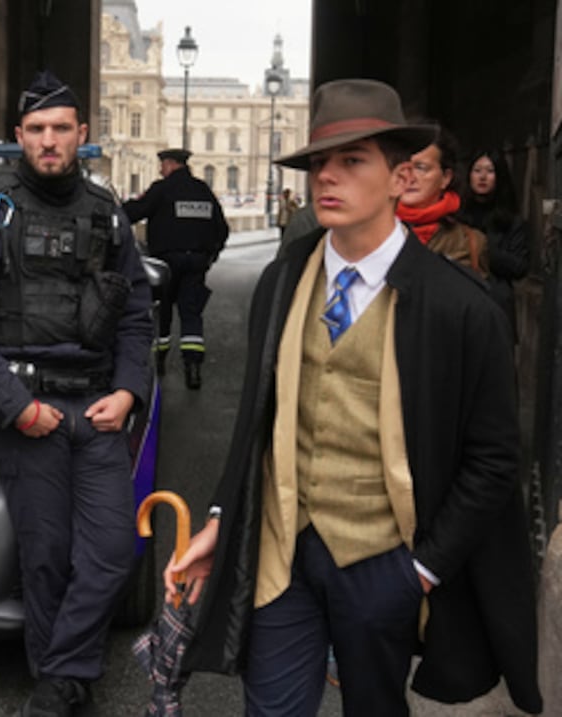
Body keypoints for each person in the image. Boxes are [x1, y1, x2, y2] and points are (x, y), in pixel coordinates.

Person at [166, 79, 542, 716]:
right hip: (283, 552)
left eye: (352, 160)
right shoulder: (283, 280)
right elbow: (258, 420)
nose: (327, 177)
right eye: (319, 162)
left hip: (381, 562)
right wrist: (223, 518)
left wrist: (421, 571)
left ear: (400, 178)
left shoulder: (461, 308)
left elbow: (494, 460)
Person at [0, 70, 153, 717]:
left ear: (82, 134)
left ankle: (60, 672)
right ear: (18, 136)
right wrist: (18, 408)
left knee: (113, 552)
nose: (49, 140)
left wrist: (128, 391)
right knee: (48, 558)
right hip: (29, 414)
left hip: (98, 410)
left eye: (61, 128)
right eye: (36, 129)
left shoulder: (109, 215)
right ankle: (63, 683)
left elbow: (137, 316)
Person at [122, 147, 229, 389]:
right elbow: (221, 229)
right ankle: (193, 368)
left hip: (166, 262)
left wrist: (113, 211)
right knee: (191, 313)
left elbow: (135, 212)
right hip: (197, 261)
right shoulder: (203, 190)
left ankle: (159, 362)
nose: (161, 170)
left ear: (170, 164)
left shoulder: (162, 189)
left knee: (163, 311)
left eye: (162, 165)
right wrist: (210, 255)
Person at [396, 126, 490, 278]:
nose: (410, 177)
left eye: (421, 168)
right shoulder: (371, 234)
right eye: (403, 167)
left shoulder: (470, 242)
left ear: (445, 178)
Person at [458, 148, 530, 337]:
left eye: (490, 171)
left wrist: (484, 249)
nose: (483, 177)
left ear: (499, 176)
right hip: (459, 302)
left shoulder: (511, 220)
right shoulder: (456, 216)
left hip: (496, 303)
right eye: (477, 170)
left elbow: (520, 266)